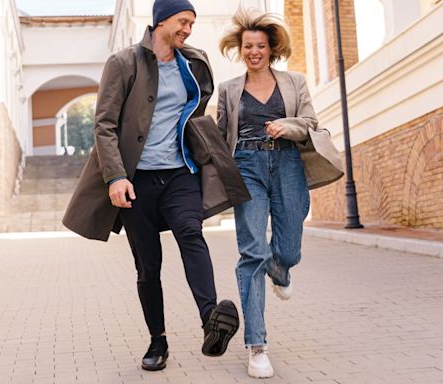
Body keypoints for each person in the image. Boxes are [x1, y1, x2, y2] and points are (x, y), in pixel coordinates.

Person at [63, 0, 240, 372]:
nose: (188, 29)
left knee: (192, 233)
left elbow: (197, 109)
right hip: (136, 179)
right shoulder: (124, 62)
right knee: (148, 265)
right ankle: (157, 340)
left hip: (180, 172)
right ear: (161, 21)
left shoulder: (192, 62)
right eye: (182, 21)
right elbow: (104, 124)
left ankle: (211, 319)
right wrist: (115, 175)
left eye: (192, 23)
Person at [217, 8, 317, 378]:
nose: (254, 51)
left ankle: (281, 269)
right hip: (246, 168)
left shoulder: (294, 83)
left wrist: (286, 127)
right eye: (248, 46)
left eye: (260, 45)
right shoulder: (229, 90)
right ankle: (256, 345)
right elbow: (220, 135)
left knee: (288, 247)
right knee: (251, 253)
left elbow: (310, 123)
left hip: (288, 164)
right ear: (240, 49)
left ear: (271, 48)